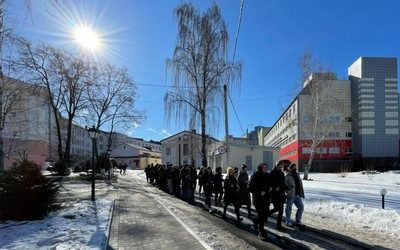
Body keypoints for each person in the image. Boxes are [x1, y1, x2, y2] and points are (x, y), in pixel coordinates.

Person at [248, 163, 270, 239]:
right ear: (260, 168)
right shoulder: (255, 176)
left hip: (266, 199)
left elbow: (269, 186)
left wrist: (268, 189)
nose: (265, 169)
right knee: (261, 215)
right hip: (258, 199)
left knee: (265, 214)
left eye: (266, 167)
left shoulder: (267, 175)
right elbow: (249, 187)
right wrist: (259, 192)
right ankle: (261, 232)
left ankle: (254, 219)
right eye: (263, 167)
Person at [269, 159, 291, 231]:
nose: (280, 167)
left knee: (280, 211)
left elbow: (283, 184)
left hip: (281, 194)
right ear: (276, 165)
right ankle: (259, 218)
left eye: (281, 166)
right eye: (279, 165)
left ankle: (279, 226)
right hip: (275, 195)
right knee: (276, 209)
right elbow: (270, 184)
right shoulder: (272, 173)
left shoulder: (281, 173)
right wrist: (275, 188)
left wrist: (286, 188)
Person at [285, 163, 305, 228]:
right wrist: (287, 190)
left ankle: (298, 221)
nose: (295, 168)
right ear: (290, 168)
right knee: (288, 208)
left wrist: (301, 192)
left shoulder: (297, 175)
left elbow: (300, 184)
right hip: (290, 195)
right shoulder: (287, 176)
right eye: (293, 167)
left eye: (295, 167)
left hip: (297, 195)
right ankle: (288, 221)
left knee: (301, 207)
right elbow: (284, 185)